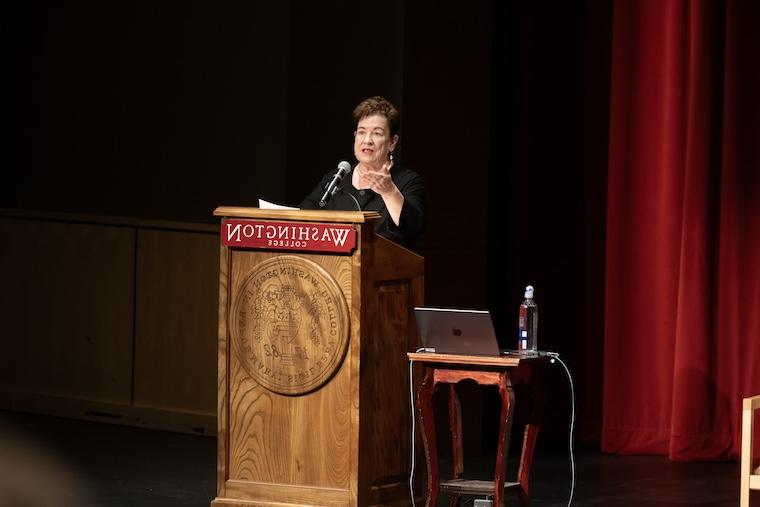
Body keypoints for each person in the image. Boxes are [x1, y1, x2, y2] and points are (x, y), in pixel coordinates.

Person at [299, 96, 425, 249]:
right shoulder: (336, 178)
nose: (367, 140)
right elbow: (302, 217)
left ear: (392, 142)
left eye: (377, 133)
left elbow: (413, 228)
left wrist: (390, 192)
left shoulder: (407, 181)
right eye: (361, 132)